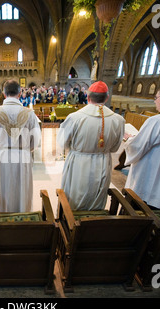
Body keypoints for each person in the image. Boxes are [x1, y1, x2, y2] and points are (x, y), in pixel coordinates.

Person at [57, 81, 125, 211]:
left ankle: (72, 221)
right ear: (107, 97)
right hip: (103, 161)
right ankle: (94, 222)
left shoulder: (74, 117)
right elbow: (115, 148)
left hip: (78, 161)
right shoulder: (118, 119)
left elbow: (62, 142)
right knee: (96, 196)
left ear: (88, 97)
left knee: (75, 195)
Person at [0, 80, 42, 212]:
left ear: (4, 94)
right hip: (24, 157)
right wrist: (26, 150)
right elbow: (36, 140)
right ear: (20, 93)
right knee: (23, 192)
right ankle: (23, 220)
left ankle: (3, 221)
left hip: (2, 157)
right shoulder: (29, 114)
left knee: (3, 190)